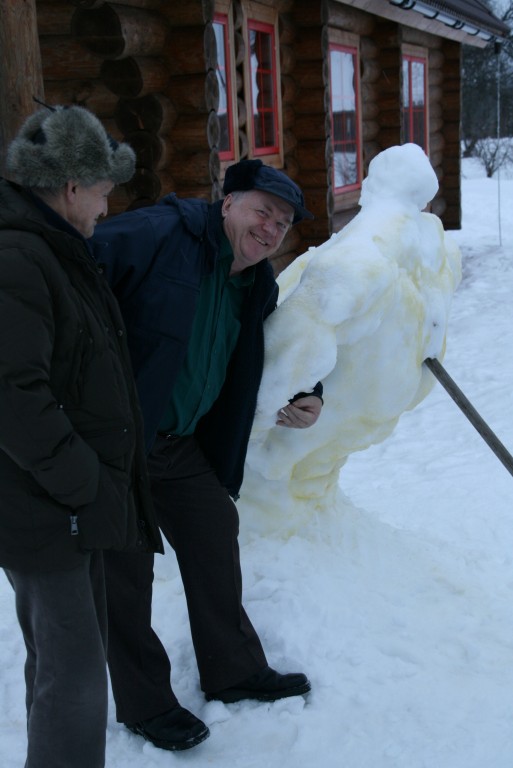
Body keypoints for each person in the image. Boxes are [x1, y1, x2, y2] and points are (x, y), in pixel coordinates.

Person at [92, 159, 323, 752]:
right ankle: (145, 704)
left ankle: (233, 670)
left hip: (176, 444)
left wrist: (308, 392)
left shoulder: (256, 280)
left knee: (214, 530)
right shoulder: (158, 234)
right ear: (227, 204)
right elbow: (71, 268)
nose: (271, 228)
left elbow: (277, 347)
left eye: (283, 221)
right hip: (114, 443)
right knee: (124, 570)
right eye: (261, 211)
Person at [0, 104, 163, 768]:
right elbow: (13, 395)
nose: (107, 203)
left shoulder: (54, 248)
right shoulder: (18, 257)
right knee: (73, 679)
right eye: (103, 188)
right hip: (46, 508)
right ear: (72, 187)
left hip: (63, 506)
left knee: (66, 664)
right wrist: (85, 486)